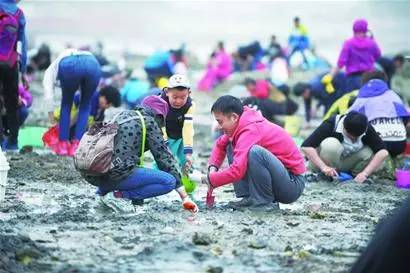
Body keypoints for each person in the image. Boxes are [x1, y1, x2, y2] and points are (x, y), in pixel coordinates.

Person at [79, 95, 198, 213]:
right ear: (160, 116)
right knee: (169, 181)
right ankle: (118, 197)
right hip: (115, 175)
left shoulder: (122, 115)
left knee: (127, 165)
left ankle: (103, 193)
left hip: (93, 173)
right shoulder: (149, 121)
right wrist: (184, 197)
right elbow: (164, 159)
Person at [202, 95, 306, 211]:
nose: (219, 127)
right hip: (279, 178)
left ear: (233, 117)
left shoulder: (251, 129)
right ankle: (248, 197)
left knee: (255, 153)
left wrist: (210, 179)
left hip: (292, 184)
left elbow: (237, 171)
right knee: (232, 144)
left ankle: (263, 203)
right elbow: (220, 144)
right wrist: (213, 168)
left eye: (220, 122)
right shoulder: (240, 124)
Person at [43, 48, 101, 156]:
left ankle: (63, 145)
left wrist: (51, 119)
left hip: (70, 65)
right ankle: (76, 146)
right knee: (85, 105)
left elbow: (48, 95)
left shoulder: (50, 70)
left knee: (66, 104)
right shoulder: (82, 54)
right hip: (93, 64)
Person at [301, 111, 389, 183]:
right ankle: (325, 176)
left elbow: (383, 152)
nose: (354, 140)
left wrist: (364, 174)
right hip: (324, 165)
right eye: (350, 136)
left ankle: (354, 177)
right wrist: (323, 167)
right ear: (344, 127)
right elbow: (306, 147)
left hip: (344, 164)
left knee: (368, 151)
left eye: (357, 137)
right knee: (331, 144)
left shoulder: (365, 127)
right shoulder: (332, 123)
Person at [349, 71, 409, 157]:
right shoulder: (393, 95)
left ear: (364, 83)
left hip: (378, 145)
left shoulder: (363, 97)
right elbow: (405, 117)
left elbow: (349, 119)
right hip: (400, 143)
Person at [0, 0, 28, 150]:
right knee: (12, 105)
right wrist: (23, 69)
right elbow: (23, 43)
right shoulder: (19, 13)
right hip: (11, 63)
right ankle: (12, 143)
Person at [53, 85, 122, 142]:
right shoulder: (91, 98)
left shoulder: (100, 106)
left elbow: (97, 123)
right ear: (104, 97)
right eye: (109, 104)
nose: (108, 107)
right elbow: (77, 116)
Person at [330, 19, 381, 92]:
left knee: (353, 101)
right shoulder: (371, 43)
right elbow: (378, 55)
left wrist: (330, 76)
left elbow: (341, 63)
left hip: (352, 80)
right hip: (368, 78)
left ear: (353, 30)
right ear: (366, 30)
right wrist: (372, 39)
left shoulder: (348, 43)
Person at [160, 74, 195, 174]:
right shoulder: (160, 102)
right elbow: (160, 126)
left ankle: (188, 182)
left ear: (189, 93)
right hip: (165, 135)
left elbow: (188, 128)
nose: (178, 101)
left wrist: (188, 152)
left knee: (187, 161)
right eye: (174, 97)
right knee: (164, 161)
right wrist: (165, 144)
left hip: (182, 135)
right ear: (167, 92)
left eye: (183, 97)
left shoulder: (190, 105)